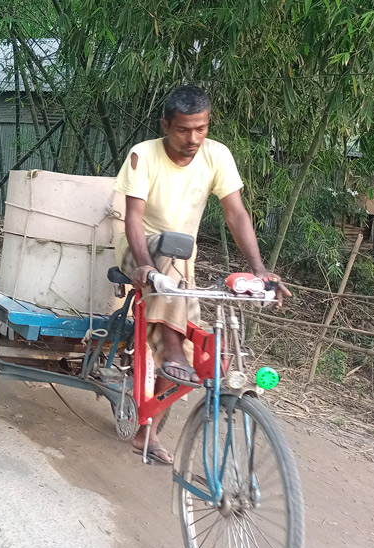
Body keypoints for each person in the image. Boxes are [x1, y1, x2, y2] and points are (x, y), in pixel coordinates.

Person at [114, 85, 291, 465]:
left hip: (180, 265)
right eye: (183, 130)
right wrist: (143, 263)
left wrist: (260, 270)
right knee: (175, 250)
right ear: (166, 126)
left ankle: (146, 430)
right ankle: (173, 347)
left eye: (201, 128)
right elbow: (132, 217)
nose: (193, 138)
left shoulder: (217, 155)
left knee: (198, 352)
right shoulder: (143, 155)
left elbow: (236, 213)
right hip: (139, 250)